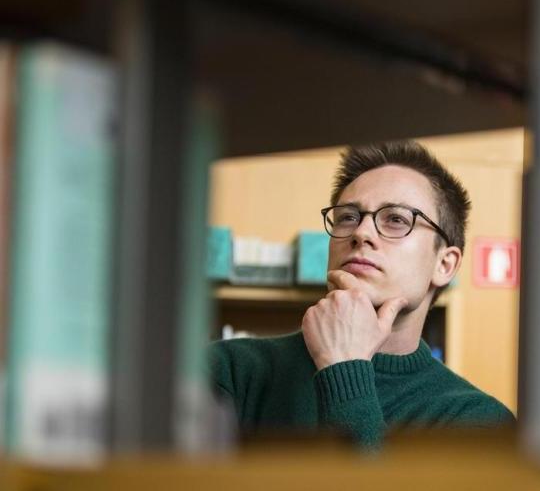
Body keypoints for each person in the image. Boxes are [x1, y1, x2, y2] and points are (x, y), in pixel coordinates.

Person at [209, 141, 514, 447]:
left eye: (396, 219)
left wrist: (344, 370)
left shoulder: (479, 421)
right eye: (348, 217)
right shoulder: (228, 370)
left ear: (445, 264)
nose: (361, 233)